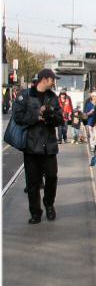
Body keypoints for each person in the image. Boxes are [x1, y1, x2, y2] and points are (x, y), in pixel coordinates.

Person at [12, 68, 64, 223]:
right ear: (45, 79)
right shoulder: (26, 95)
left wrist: (50, 115)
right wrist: (36, 116)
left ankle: (49, 204)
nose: (54, 82)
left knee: (52, 177)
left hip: (49, 146)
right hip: (31, 146)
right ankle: (35, 213)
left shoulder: (52, 97)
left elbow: (60, 119)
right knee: (32, 183)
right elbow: (17, 116)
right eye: (53, 79)